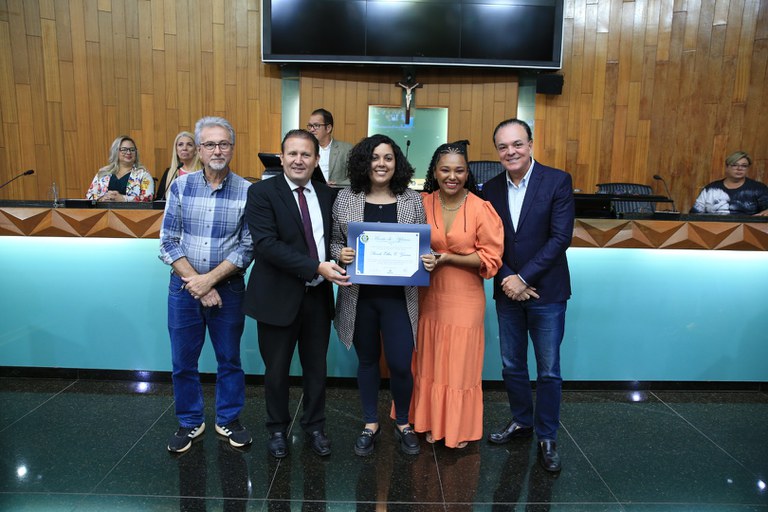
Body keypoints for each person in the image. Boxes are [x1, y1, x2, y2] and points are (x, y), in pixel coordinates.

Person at [243, 129, 351, 459]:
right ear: (281, 158)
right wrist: (317, 267)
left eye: (306, 154)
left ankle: (315, 426)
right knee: (276, 371)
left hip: (317, 298)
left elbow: (336, 240)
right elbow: (266, 245)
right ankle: (277, 429)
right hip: (276, 297)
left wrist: (344, 255)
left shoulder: (328, 195)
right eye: (292, 153)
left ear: (317, 160)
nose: (299, 160)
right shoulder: (261, 192)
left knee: (316, 369)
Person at [482, 118, 575, 473]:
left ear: (531, 144)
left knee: (548, 370)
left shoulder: (557, 181)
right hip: (507, 290)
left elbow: (560, 237)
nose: (511, 152)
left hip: (546, 292)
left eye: (517, 144)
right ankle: (522, 420)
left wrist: (523, 277)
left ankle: (547, 436)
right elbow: (488, 242)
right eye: (503, 146)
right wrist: (508, 277)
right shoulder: (489, 189)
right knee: (512, 364)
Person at [160, 116, 254, 453]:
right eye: (210, 144)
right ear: (199, 150)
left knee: (229, 359)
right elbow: (168, 242)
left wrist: (210, 281)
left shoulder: (248, 191)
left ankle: (228, 419)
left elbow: (247, 247)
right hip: (183, 289)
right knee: (183, 361)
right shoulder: (180, 187)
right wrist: (197, 283)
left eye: (224, 144)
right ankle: (190, 421)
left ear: (232, 148)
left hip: (228, 289)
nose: (217, 150)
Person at [331, 134, 426, 456]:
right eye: (374, 157)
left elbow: (423, 245)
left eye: (388, 157)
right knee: (368, 361)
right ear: (364, 162)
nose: (381, 164)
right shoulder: (346, 198)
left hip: (399, 299)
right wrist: (340, 253)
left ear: (397, 163)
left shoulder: (412, 200)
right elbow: (334, 241)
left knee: (400, 364)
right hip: (360, 298)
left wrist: (427, 259)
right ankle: (370, 423)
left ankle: (403, 422)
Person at [412, 141, 503, 449]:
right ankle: (428, 421)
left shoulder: (481, 208)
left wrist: (448, 258)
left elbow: (491, 257)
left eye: (459, 170)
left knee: (459, 364)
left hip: (465, 297)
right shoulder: (421, 203)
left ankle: (457, 428)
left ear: (467, 173)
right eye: (445, 170)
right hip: (428, 295)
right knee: (429, 360)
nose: (452, 176)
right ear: (435, 172)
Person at [690, 151, 768, 216]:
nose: (739, 168)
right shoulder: (711, 189)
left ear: (748, 169)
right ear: (727, 167)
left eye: (744, 166)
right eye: (734, 165)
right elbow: (694, 215)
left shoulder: (759, 188)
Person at [86, 135, 154, 202]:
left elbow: (148, 198)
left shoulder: (143, 175)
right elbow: (89, 196)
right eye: (124, 149)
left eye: (132, 150)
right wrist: (101, 199)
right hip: (105, 209)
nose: (128, 152)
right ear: (115, 151)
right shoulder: (103, 173)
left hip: (130, 210)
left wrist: (123, 199)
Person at [307, 108, 353, 187]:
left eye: (316, 125)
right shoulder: (306, 149)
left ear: (328, 128)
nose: (311, 129)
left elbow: (356, 177)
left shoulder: (346, 149)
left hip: (337, 191)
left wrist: (337, 184)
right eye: (310, 126)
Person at [156, 131, 203, 201]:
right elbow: (160, 200)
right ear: (176, 150)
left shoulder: (204, 172)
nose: (184, 148)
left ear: (196, 150)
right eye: (180, 145)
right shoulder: (169, 173)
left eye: (189, 145)